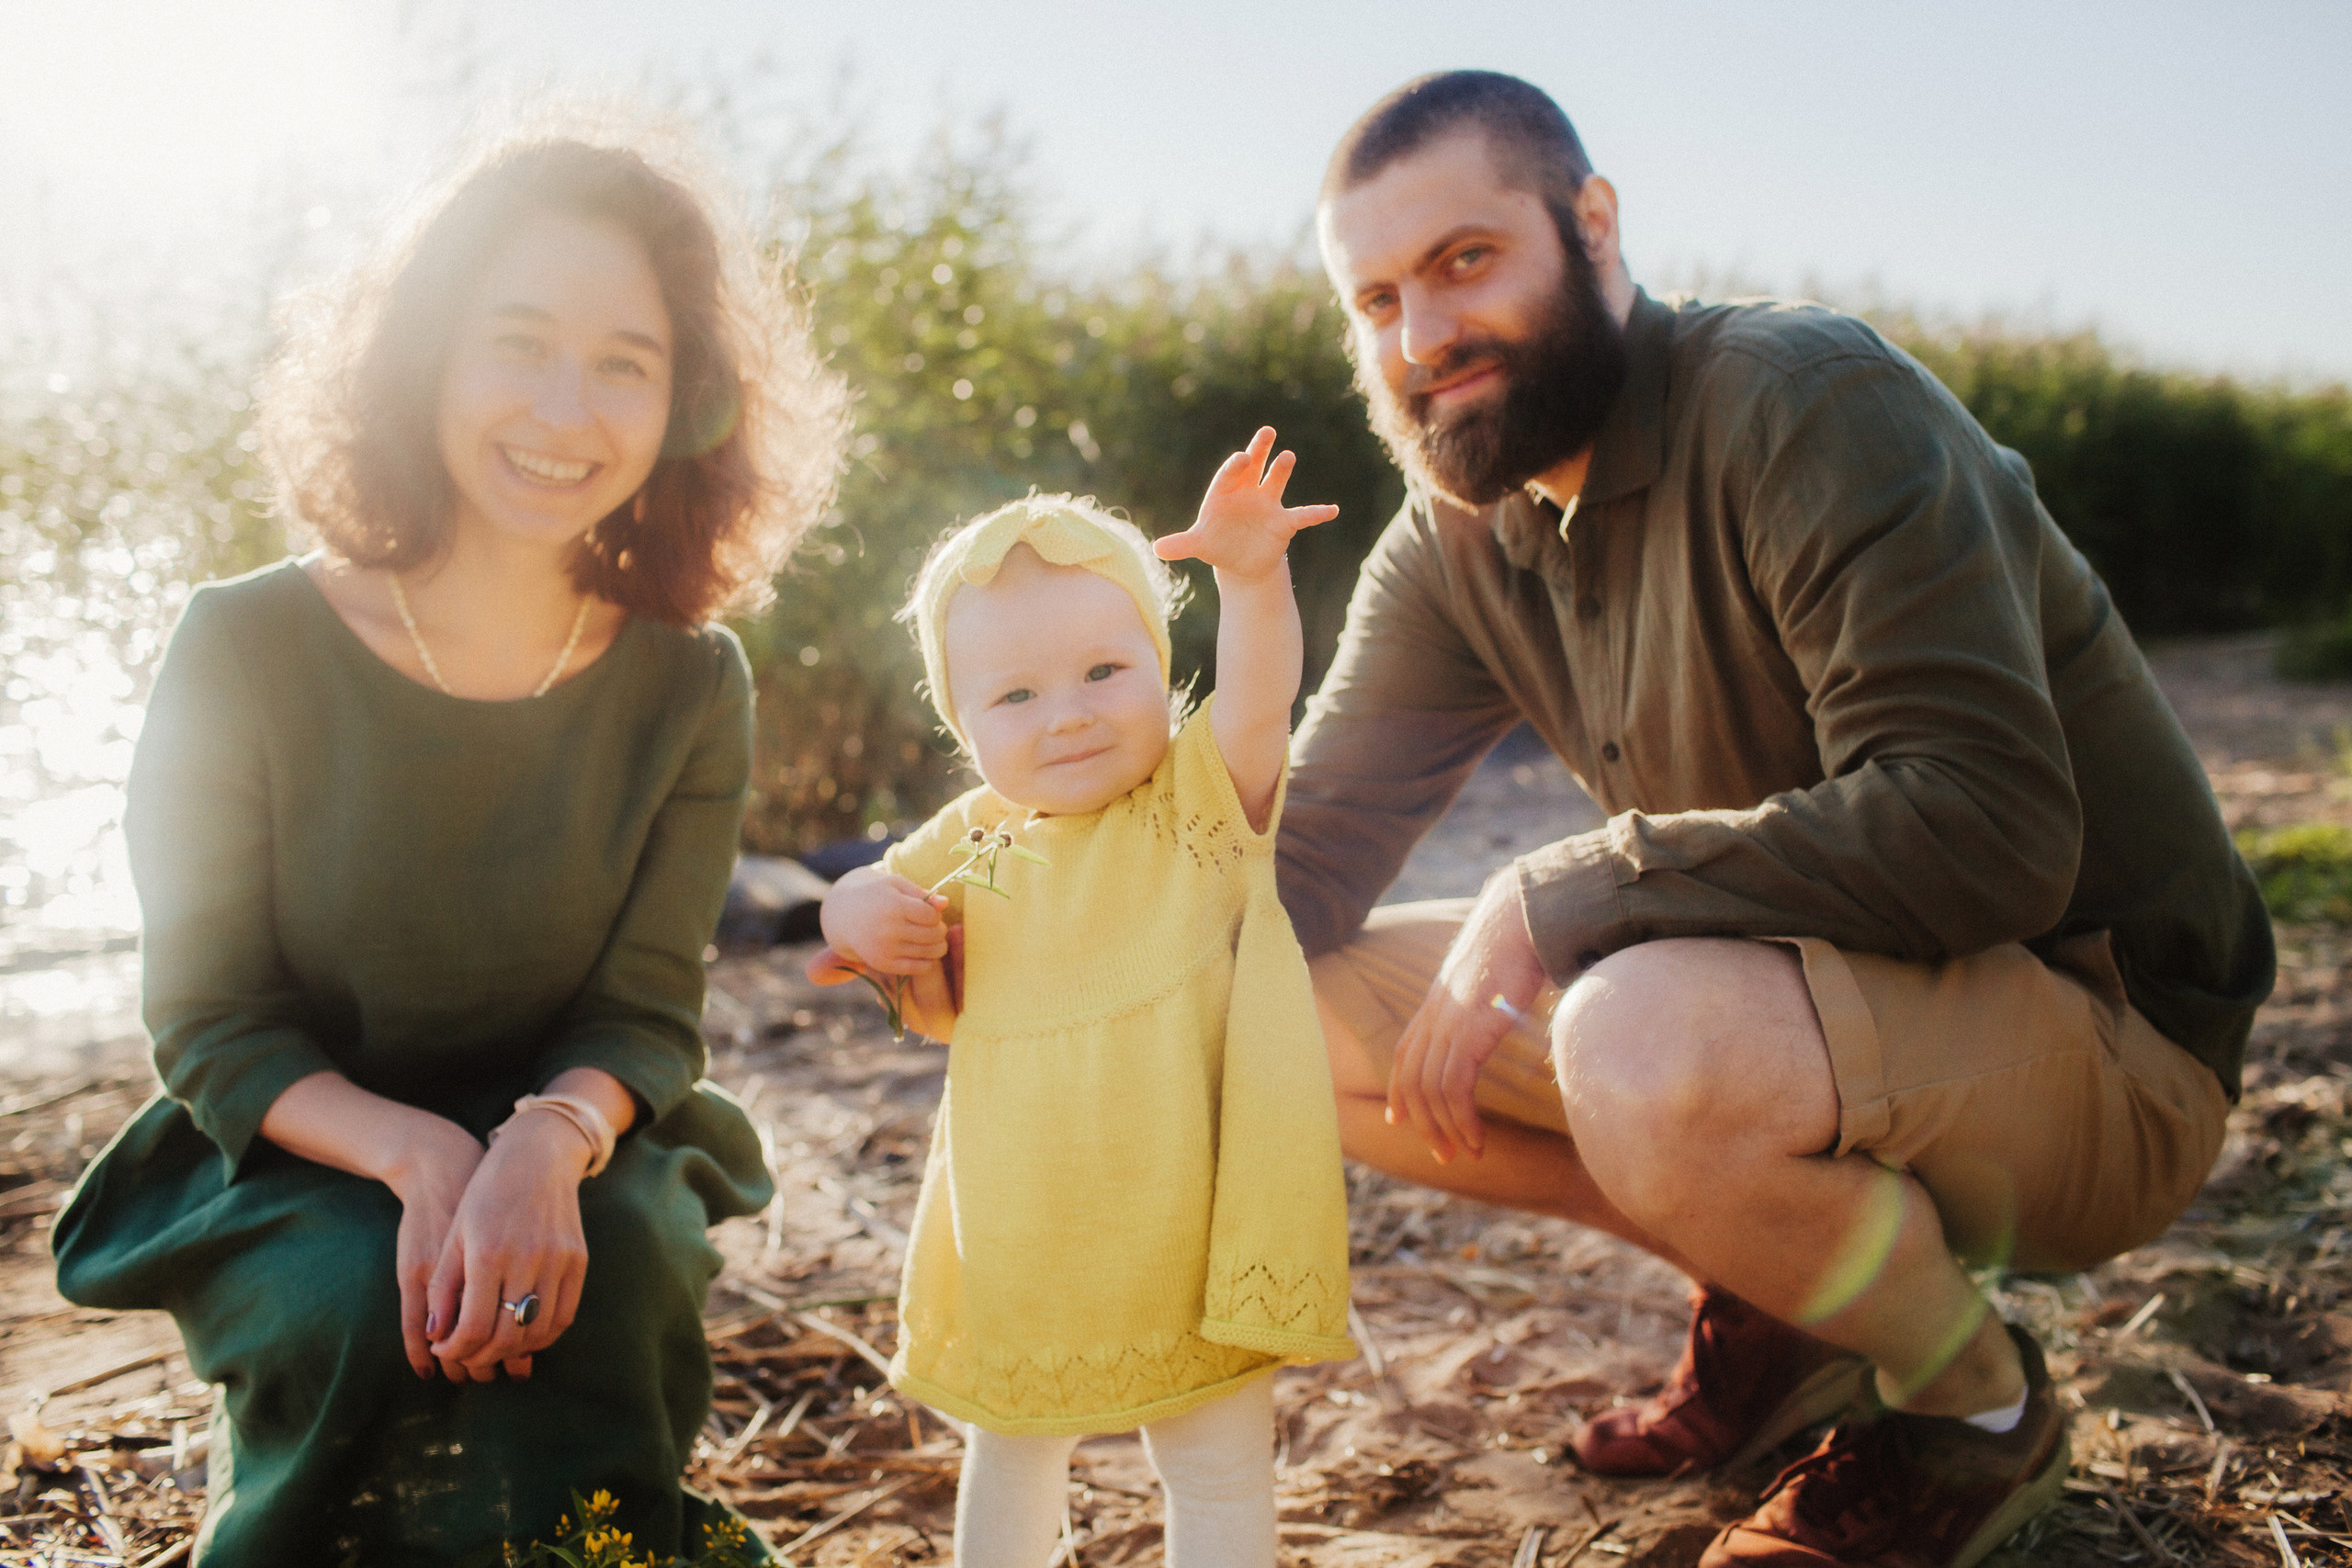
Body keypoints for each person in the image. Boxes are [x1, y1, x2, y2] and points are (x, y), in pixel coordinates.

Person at [1280, 71, 2274, 1568]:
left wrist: (1569, 885)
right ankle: (1791, 1295)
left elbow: (1989, 828)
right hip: (1811, 1035)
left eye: (1466, 260)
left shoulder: (1807, 401)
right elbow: (1294, 871)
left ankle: (1974, 1417)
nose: (1422, 338)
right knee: (1270, 1012)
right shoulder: (1456, 541)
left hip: (2100, 1046)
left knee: (1631, 1029)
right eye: (1374, 300)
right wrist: (1015, 929)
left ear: (1593, 227)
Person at [53, 126, 849, 1564]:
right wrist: (420, 1156)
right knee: (372, 1293)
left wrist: (547, 1142)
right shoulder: (242, 643)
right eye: (520, 341)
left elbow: (648, 1009)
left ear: (685, 403)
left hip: (574, 1126)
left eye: (626, 361)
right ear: (423, 354)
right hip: (297, 1141)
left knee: (599, 1285)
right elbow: (213, 1018)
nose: (567, 404)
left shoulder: (691, 680)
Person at [809, 446, 1357, 1568]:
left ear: (1161, 669)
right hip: (1023, 1230)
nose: (1066, 716)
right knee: (1010, 1453)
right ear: (962, 728)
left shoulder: (1195, 804)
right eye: (1014, 695)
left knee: (1212, 1469)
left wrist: (1252, 582)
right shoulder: (977, 840)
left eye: (1106, 671)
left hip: (1185, 1225)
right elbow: (859, 902)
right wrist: (860, 912)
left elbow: (1261, 697)